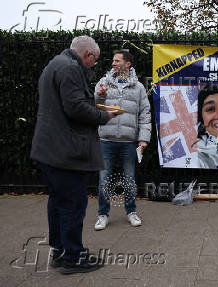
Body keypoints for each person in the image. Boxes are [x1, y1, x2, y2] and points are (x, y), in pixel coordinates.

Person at [30, 36, 119, 274]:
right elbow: (75, 108)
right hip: (65, 151)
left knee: (58, 202)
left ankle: (60, 252)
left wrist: (95, 103)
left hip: (51, 149)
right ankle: (72, 257)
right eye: (95, 60)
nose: (94, 65)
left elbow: (67, 104)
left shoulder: (54, 65)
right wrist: (105, 116)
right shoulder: (70, 68)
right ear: (87, 55)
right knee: (73, 203)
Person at [93, 49, 151, 231]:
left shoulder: (139, 87)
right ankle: (102, 215)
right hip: (106, 140)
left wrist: (143, 139)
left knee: (129, 179)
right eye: (113, 60)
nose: (113, 63)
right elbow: (93, 106)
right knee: (104, 180)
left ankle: (131, 212)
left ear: (128, 64)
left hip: (128, 142)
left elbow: (144, 114)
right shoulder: (103, 83)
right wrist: (99, 95)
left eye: (117, 60)